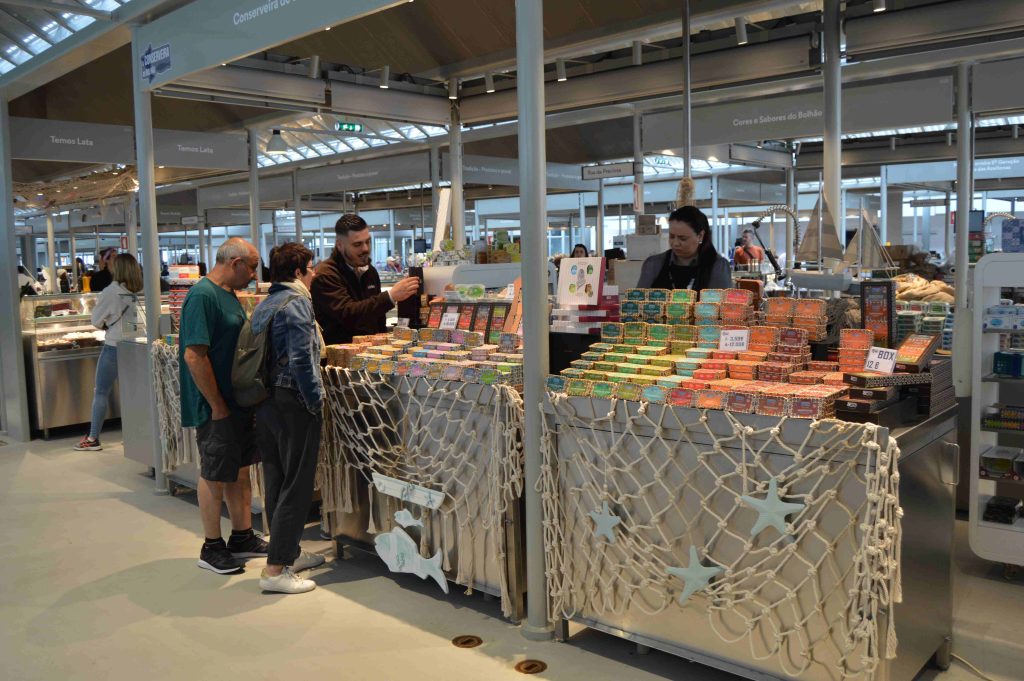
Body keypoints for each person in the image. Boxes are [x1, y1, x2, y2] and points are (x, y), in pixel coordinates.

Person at [179, 237, 268, 575]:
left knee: (239, 468)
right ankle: (211, 546)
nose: (254, 276)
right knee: (215, 472)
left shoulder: (228, 294)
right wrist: (216, 404)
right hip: (217, 405)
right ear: (235, 263)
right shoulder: (202, 296)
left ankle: (242, 536)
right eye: (252, 268)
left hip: (236, 401)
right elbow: (193, 354)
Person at [249, 242, 326, 594]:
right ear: (298, 272)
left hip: (265, 401)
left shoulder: (264, 304)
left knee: (277, 478)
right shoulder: (296, 303)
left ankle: (285, 553)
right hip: (292, 400)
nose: (313, 274)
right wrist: (314, 402)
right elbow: (301, 361)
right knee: (297, 482)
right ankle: (276, 569)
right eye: (310, 269)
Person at [312, 214, 420, 345]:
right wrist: (390, 297)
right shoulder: (326, 274)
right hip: (340, 358)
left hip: (371, 355)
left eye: (367, 241)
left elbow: (378, 318)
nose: (365, 248)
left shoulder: (370, 271)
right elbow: (348, 313)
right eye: (357, 244)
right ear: (340, 245)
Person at [74, 254, 144, 451]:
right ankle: (136, 434)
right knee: (134, 392)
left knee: (101, 392)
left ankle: (93, 438)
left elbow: (96, 320)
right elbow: (133, 325)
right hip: (134, 347)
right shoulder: (135, 292)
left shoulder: (110, 291)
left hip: (114, 347)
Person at [636, 206, 732, 292]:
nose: (675, 243)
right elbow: (637, 303)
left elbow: (724, 308)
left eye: (683, 238)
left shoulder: (718, 266)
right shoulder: (654, 264)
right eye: (672, 236)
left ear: (700, 236)